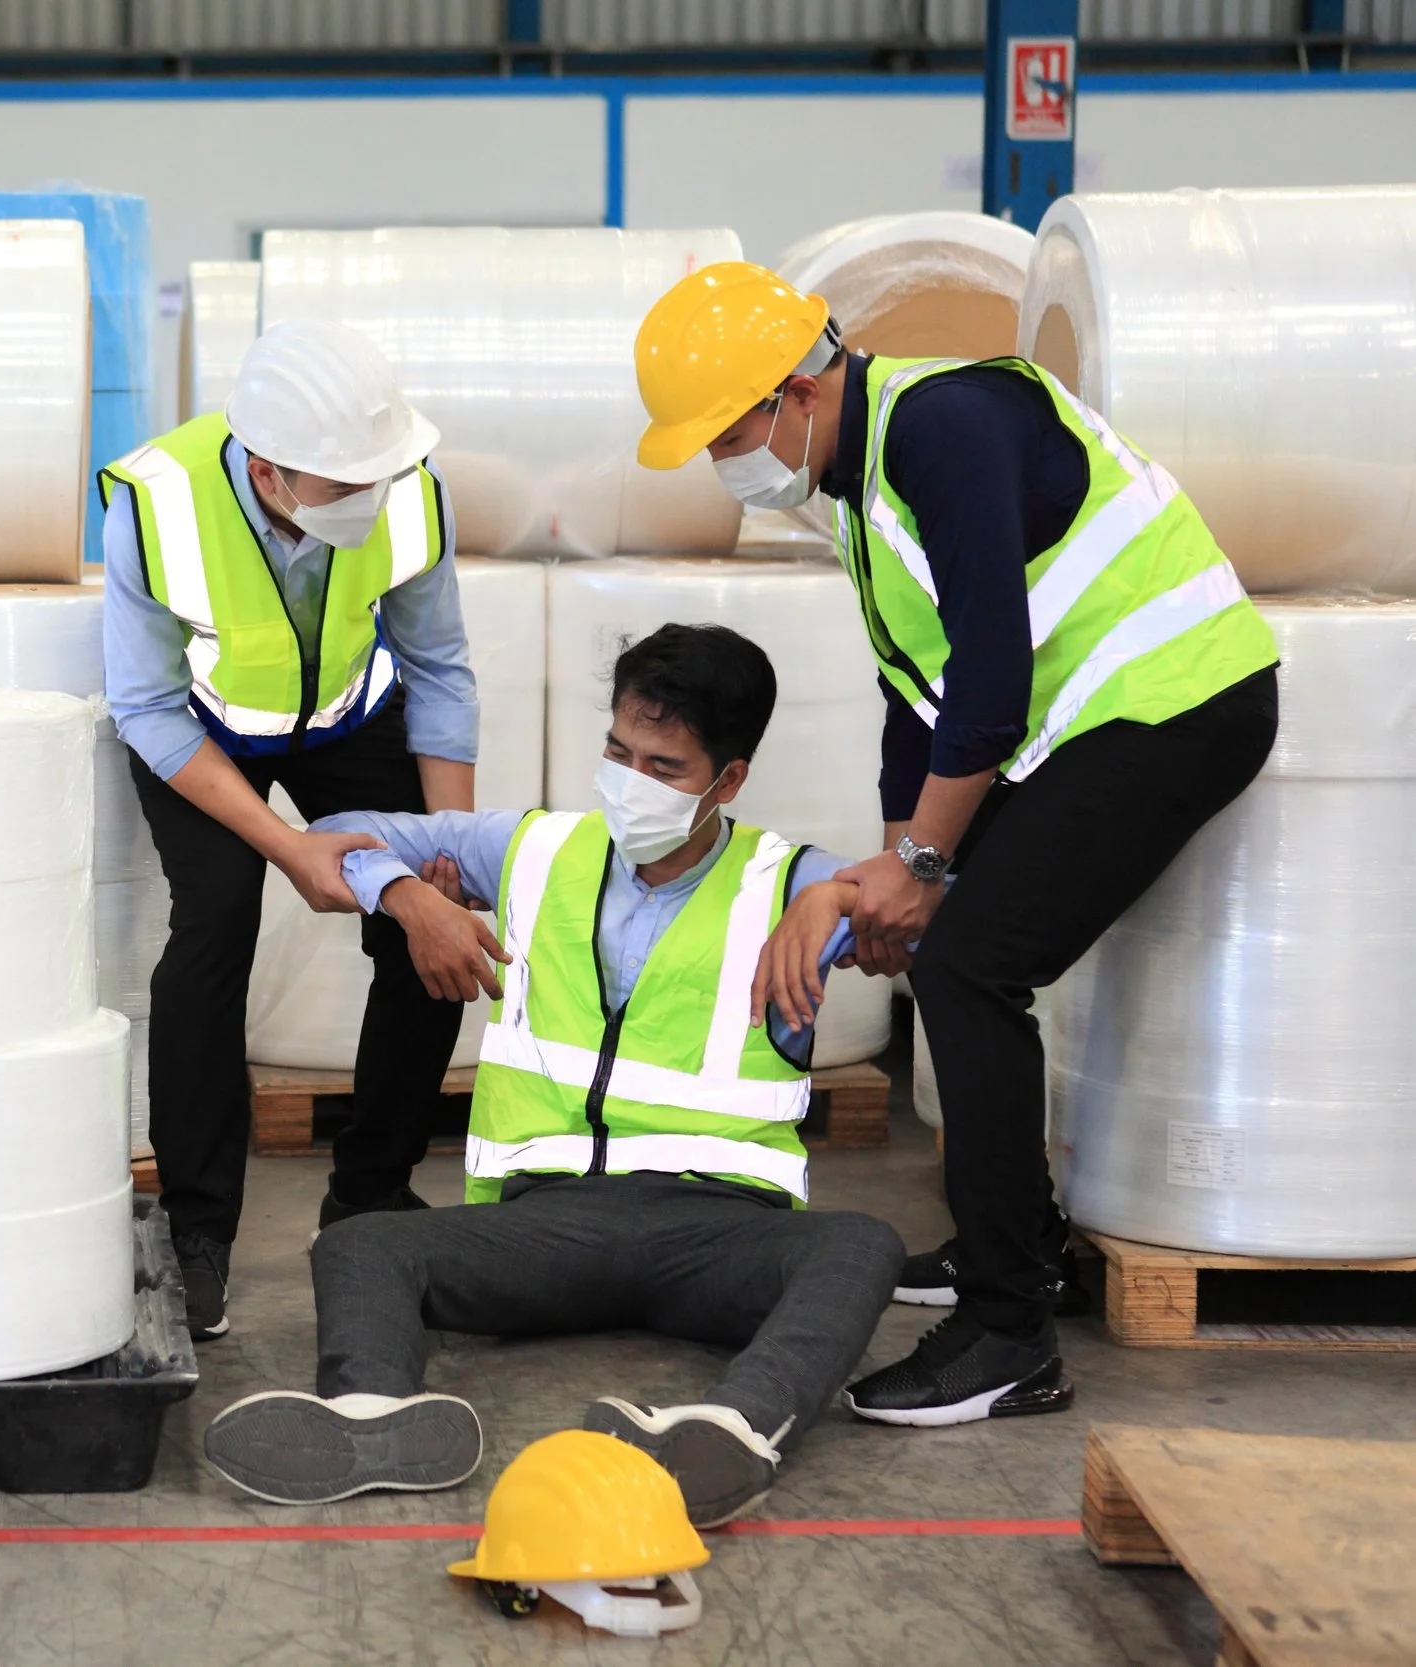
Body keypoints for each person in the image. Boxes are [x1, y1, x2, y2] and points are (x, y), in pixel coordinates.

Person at [633, 262, 1280, 1425]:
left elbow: (989, 674)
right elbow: (915, 691)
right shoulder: (860, 485)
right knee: (949, 950)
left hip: (1180, 702)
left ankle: (1007, 1331)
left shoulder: (944, 426)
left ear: (797, 392)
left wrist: (924, 870)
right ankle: (1020, 1243)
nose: (729, 465)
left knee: (972, 968)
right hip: (1097, 719)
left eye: (729, 434)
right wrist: (900, 866)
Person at [200, 625, 906, 1528]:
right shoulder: (533, 849)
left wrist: (838, 895)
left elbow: (933, 911)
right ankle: (373, 1418)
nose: (631, 781)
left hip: (719, 1230)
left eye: (665, 766)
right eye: (619, 751)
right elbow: (335, 834)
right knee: (360, 1242)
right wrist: (411, 900)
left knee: (860, 1245)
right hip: (547, 1224)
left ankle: (734, 1430)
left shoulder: (785, 882)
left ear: (728, 780)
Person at [98, 321, 479, 1342]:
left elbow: (439, 669)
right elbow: (145, 706)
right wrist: (287, 844)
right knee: (216, 922)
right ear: (268, 472)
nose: (373, 496)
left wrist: (447, 842)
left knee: (428, 914)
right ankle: (197, 1228)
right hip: (202, 734)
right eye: (345, 483)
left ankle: (369, 1195)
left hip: (347, 720)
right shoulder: (158, 504)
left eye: (379, 475)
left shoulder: (406, 489)